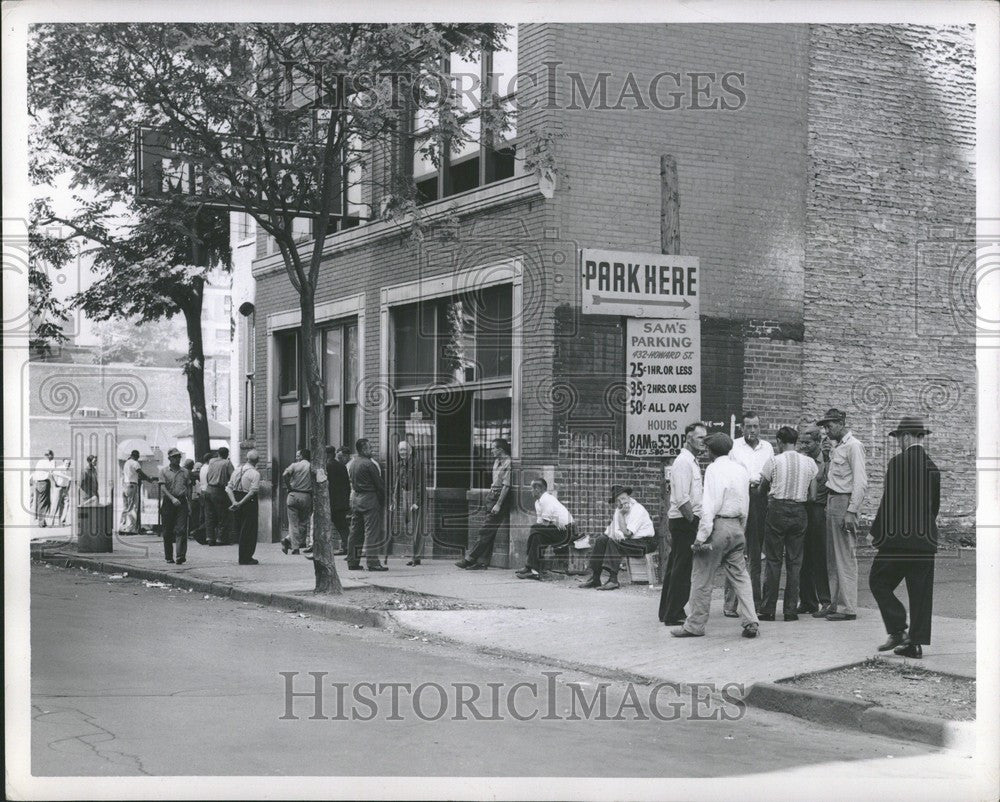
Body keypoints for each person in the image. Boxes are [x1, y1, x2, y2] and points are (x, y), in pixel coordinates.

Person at [672, 433, 760, 639]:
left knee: (702, 576)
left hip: (718, 527)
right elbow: (745, 503)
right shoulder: (741, 469)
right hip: (737, 526)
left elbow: (709, 505)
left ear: (711, 451)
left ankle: (695, 625)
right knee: (741, 577)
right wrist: (741, 529)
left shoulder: (713, 469)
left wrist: (701, 538)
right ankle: (751, 620)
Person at [868, 417, 940, 659]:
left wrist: (876, 532)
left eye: (899, 438)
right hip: (925, 541)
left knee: (878, 580)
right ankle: (915, 645)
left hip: (897, 541)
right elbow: (934, 508)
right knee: (920, 594)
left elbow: (888, 502)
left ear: (906, 437)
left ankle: (898, 628)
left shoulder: (897, 463)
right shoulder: (932, 467)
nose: (898, 443)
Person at [757, 426, 818, 621]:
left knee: (774, 561)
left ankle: (768, 609)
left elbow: (761, 489)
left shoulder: (774, 461)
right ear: (796, 441)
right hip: (799, 511)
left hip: (777, 509)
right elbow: (813, 495)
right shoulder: (809, 463)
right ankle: (791, 610)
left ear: (779, 441)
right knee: (795, 562)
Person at [817, 408, 868, 622]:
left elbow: (861, 482)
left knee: (845, 555)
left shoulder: (854, 446)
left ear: (841, 423)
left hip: (844, 502)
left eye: (830, 426)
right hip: (833, 500)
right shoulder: (837, 447)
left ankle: (848, 607)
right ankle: (835, 603)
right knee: (832, 557)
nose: (827, 431)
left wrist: (851, 511)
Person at [725, 411, 774, 616]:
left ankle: (754, 601)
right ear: (742, 428)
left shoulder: (768, 448)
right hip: (739, 497)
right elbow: (728, 473)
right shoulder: (734, 447)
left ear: (759, 427)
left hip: (760, 497)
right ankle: (730, 604)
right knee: (735, 549)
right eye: (748, 426)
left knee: (755, 551)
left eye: (755, 426)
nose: (752, 430)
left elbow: (771, 474)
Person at [659, 422, 707, 625]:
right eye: (699, 438)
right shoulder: (683, 462)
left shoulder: (692, 461)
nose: (703, 442)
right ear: (688, 438)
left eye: (705, 438)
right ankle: (674, 613)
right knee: (682, 568)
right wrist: (694, 523)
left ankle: (667, 611)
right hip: (684, 521)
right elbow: (681, 498)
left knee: (675, 567)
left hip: (684, 521)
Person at [580, 485, 657, 591]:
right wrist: (611, 533)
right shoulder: (618, 510)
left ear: (629, 498)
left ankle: (613, 580)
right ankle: (595, 577)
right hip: (630, 542)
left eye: (624, 498)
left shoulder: (637, 509)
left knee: (613, 542)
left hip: (645, 543)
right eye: (619, 500)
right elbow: (610, 531)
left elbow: (627, 533)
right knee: (601, 540)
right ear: (616, 502)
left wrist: (621, 515)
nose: (622, 502)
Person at [456, 438, 513, 570]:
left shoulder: (508, 463)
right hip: (492, 495)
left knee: (485, 530)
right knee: (489, 532)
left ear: (501, 449)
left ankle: (470, 558)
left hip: (500, 498)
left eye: (493, 448)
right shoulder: (496, 462)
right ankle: (482, 562)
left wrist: (498, 504)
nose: (491, 450)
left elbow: (506, 486)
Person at [796, 423, 832, 614]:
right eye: (801, 442)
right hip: (802, 509)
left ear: (818, 442)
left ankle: (825, 600)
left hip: (818, 510)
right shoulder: (801, 460)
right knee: (802, 556)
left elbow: (828, 486)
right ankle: (808, 601)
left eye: (808, 443)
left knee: (819, 555)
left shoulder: (827, 460)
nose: (803, 446)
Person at [516, 478, 574, 580]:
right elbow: (541, 524)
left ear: (538, 489)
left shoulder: (546, 499)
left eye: (532, 488)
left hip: (567, 531)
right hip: (555, 529)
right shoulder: (538, 502)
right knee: (537, 536)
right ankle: (534, 570)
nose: (531, 491)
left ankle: (529, 565)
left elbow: (545, 524)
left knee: (535, 528)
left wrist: (536, 529)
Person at [346, 438, 387, 571]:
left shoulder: (352, 463)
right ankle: (373, 563)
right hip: (369, 499)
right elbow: (379, 484)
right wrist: (383, 500)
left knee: (355, 532)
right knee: (371, 532)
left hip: (356, 499)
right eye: (370, 447)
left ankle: (352, 561)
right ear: (363, 449)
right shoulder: (369, 464)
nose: (372, 449)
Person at [391, 440, 428, 566]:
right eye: (400, 450)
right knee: (410, 527)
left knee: (417, 528)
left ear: (410, 451)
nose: (402, 452)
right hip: (406, 494)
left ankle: (416, 557)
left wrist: (417, 501)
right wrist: (394, 500)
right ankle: (414, 556)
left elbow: (420, 484)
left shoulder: (417, 464)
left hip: (416, 495)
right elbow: (397, 483)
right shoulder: (399, 464)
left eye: (405, 450)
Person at [227, 450, 262, 565]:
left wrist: (234, 501)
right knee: (249, 530)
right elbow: (252, 492)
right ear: (257, 461)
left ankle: (242, 556)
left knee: (241, 528)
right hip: (248, 502)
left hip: (236, 497)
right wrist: (241, 503)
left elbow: (228, 488)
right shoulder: (255, 474)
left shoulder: (237, 470)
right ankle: (246, 557)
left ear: (247, 459)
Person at [158, 448, 190, 564]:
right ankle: (168, 556)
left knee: (181, 529)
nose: (177, 459)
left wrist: (189, 504)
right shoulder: (164, 471)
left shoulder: (185, 472)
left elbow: (188, 487)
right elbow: (162, 487)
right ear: (169, 458)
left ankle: (180, 555)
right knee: (167, 530)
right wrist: (172, 498)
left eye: (179, 457)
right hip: (169, 501)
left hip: (182, 501)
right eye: (175, 457)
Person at [282, 448, 315, 556]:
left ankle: (294, 547)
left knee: (292, 523)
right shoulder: (311, 466)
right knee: (304, 522)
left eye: (298, 455)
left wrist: (289, 486)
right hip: (306, 496)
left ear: (302, 456)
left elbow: (284, 475)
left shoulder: (294, 465)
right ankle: (289, 540)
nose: (296, 457)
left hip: (293, 495)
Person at [203, 447, 235, 546]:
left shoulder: (212, 461)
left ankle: (210, 538)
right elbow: (233, 476)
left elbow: (208, 475)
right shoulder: (227, 463)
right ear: (227, 454)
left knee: (209, 515)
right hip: (219, 490)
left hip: (208, 489)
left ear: (218, 453)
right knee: (223, 515)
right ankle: (220, 538)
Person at [325, 446, 352, 556]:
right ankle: (347, 547)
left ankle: (324, 550)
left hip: (330, 501)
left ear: (327, 454)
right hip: (341, 502)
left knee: (324, 526)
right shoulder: (341, 466)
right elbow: (347, 485)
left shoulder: (326, 466)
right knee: (343, 527)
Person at [120, 449, 153, 534]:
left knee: (125, 507)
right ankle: (130, 529)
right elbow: (140, 472)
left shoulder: (126, 463)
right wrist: (148, 479)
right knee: (133, 507)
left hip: (125, 485)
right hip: (132, 485)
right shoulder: (135, 463)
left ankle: (122, 526)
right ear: (137, 456)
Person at [31, 450, 56, 527]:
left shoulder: (40, 462)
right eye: (52, 455)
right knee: (43, 503)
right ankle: (41, 522)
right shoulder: (48, 462)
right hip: (44, 483)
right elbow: (52, 471)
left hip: (38, 483)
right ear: (50, 455)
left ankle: (41, 521)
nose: (53, 457)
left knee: (40, 502)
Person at [52, 459, 73, 525]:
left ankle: (62, 521)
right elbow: (55, 473)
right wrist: (67, 477)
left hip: (65, 489)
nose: (68, 464)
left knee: (66, 505)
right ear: (63, 462)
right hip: (58, 488)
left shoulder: (69, 470)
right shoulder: (59, 468)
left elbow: (70, 480)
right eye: (67, 463)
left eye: (69, 463)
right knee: (55, 505)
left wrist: (68, 489)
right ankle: (51, 521)